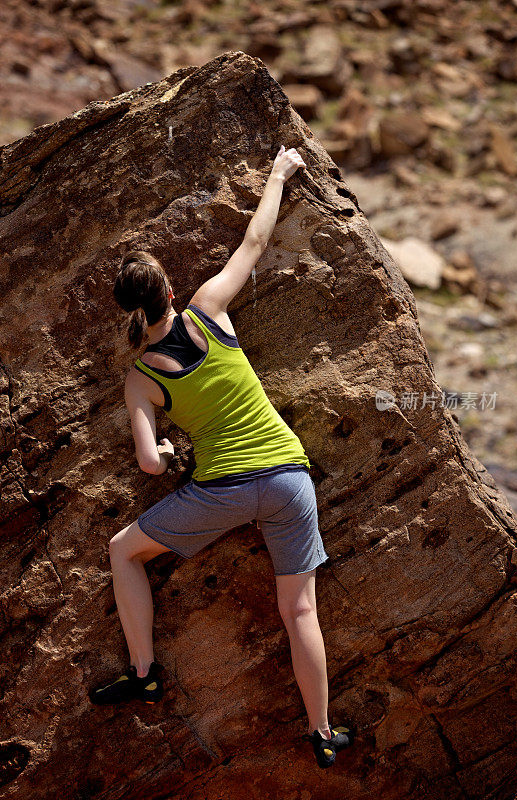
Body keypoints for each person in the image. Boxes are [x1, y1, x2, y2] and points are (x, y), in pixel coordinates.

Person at [88, 146, 354, 768]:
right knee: (301, 610)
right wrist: (280, 174)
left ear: (127, 312)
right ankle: (322, 732)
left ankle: (144, 671)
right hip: (289, 477)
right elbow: (255, 240)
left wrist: (161, 443)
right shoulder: (208, 311)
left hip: (224, 491)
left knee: (122, 551)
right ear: (171, 291)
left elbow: (150, 465)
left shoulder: (140, 378)